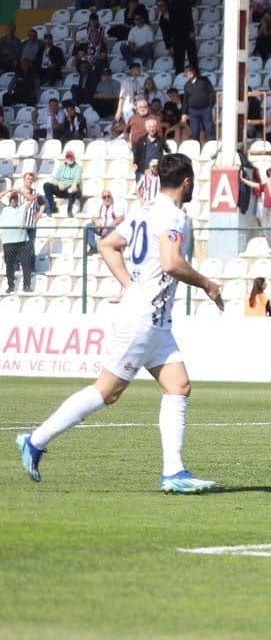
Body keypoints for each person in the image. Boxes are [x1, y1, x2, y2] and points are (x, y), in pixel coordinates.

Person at [16, 154, 223, 493]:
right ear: (186, 182)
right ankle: (35, 440)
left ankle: (174, 472)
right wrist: (208, 285)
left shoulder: (145, 210)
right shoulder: (174, 216)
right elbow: (171, 263)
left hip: (155, 321)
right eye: (192, 182)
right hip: (141, 320)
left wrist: (129, 284)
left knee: (178, 386)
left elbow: (107, 244)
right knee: (107, 391)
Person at [43, 150, 84, 216]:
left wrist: (74, 184)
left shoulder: (78, 168)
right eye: (68, 157)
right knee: (46, 185)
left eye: (71, 157)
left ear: (74, 158)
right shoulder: (62, 167)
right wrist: (58, 183)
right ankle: (51, 207)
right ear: (65, 158)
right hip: (62, 189)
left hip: (73, 189)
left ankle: (69, 210)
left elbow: (77, 179)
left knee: (72, 189)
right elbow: (54, 179)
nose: (69, 159)